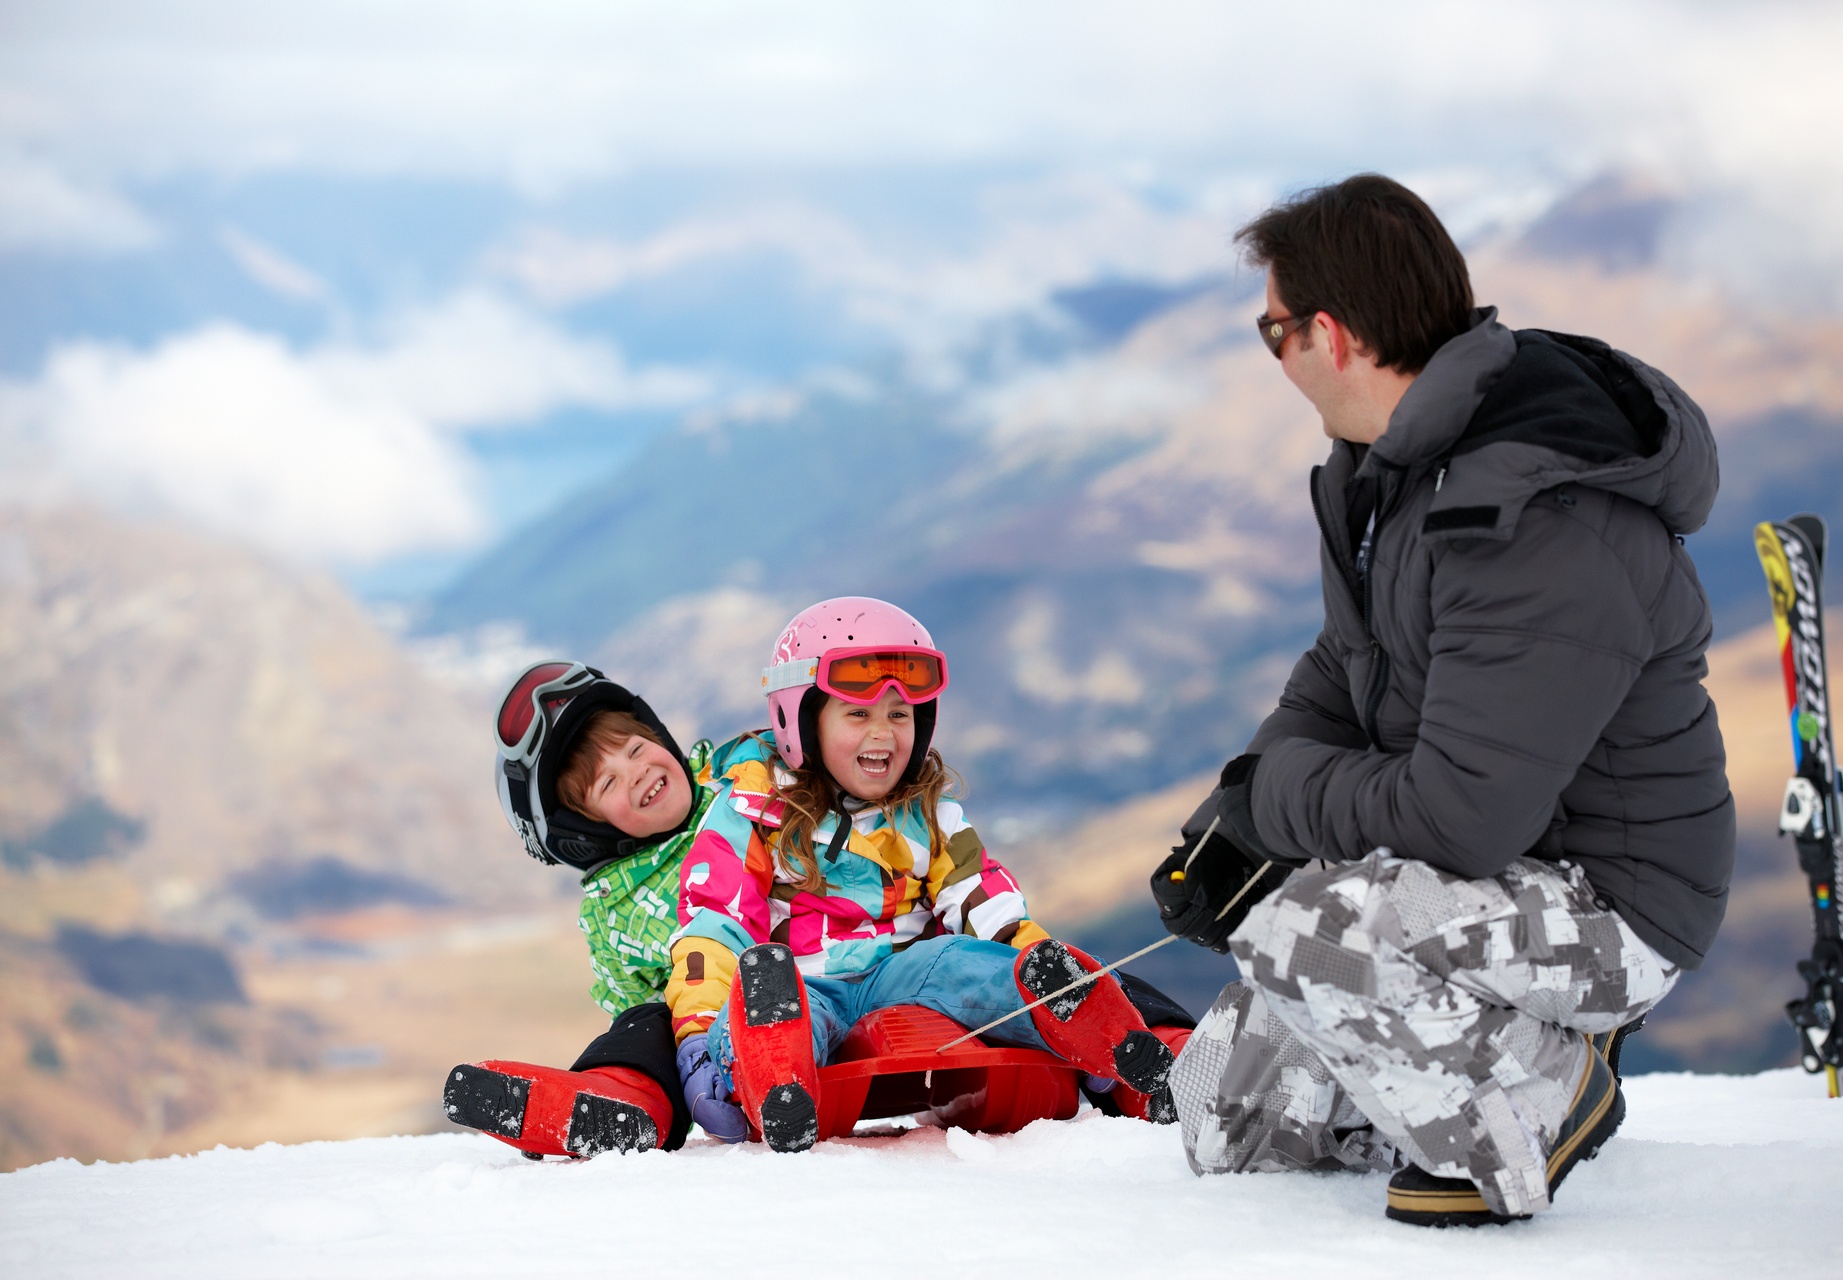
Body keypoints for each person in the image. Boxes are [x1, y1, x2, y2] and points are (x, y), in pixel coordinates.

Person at [1150, 174, 1734, 1226]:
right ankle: (1466, 1072)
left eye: (1270, 329)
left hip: (1605, 901)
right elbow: (1344, 663)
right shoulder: (1391, 471)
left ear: (1328, 333)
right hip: (1484, 873)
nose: (1272, 354)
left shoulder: (1534, 519)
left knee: (1306, 934)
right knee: (1223, 1120)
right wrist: (1234, 813)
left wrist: (1280, 806)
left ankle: (1555, 1089)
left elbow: (1465, 813)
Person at [669, 596, 1182, 1150]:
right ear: (802, 721)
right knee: (766, 997)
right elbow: (713, 924)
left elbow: (984, 901)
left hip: (903, 978)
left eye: (899, 714)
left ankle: (1083, 1021)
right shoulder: (752, 812)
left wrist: (1027, 953)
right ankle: (775, 1082)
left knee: (963, 962)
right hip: (803, 984)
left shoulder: (931, 818)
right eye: (858, 713)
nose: (883, 734)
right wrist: (698, 1031)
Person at [442, 661, 723, 1156]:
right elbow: (628, 998)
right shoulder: (615, 912)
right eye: (608, 785)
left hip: (822, 965)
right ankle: (616, 1100)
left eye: (636, 749)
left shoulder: (743, 784)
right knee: (645, 1026)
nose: (636, 772)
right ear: (586, 833)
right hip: (711, 1032)